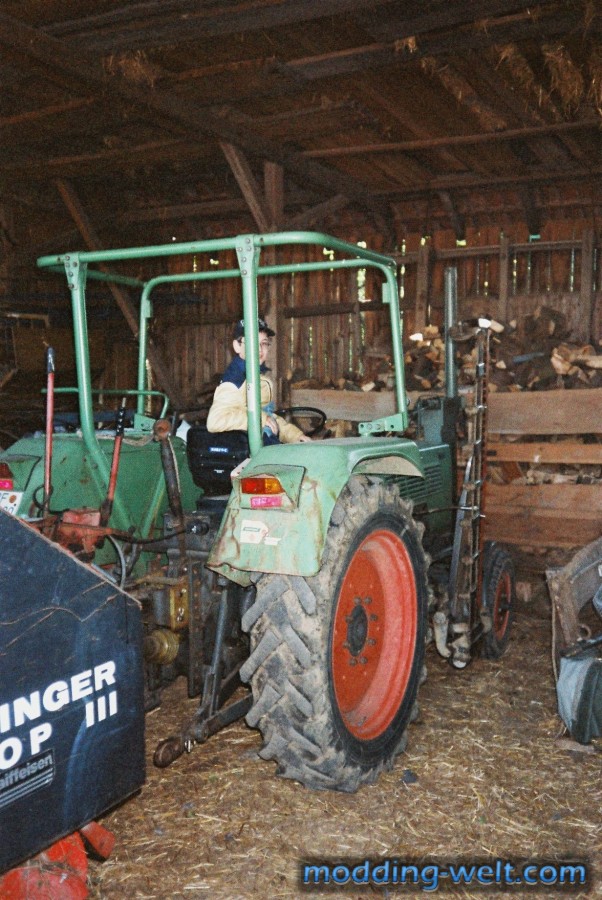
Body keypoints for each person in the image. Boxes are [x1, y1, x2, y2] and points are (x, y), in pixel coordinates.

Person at [206, 318, 311, 444]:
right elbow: (216, 420)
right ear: (237, 346)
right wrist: (260, 419)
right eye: (252, 342)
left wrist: (294, 436)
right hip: (248, 453)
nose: (260, 349)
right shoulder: (235, 380)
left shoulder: (253, 374)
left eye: (264, 343)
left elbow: (267, 416)